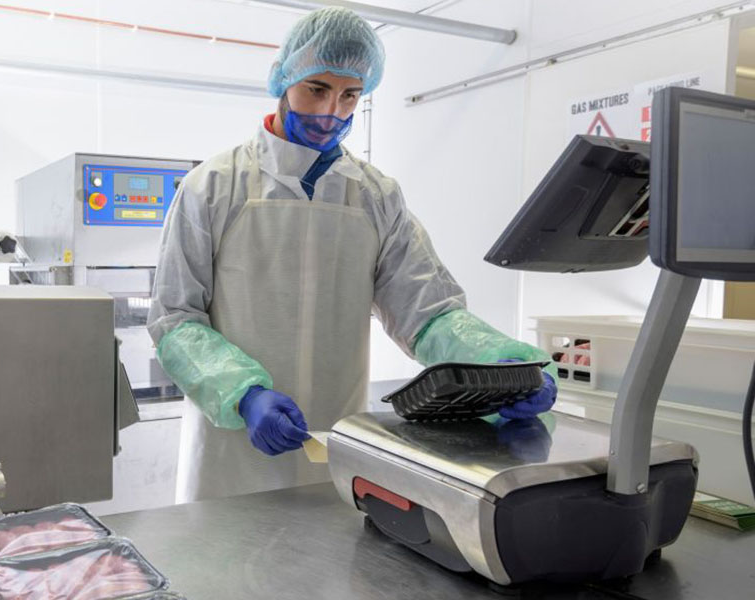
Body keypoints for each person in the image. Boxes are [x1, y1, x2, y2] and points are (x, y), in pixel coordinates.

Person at [148, 7, 557, 504]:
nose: (331, 111)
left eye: (350, 95)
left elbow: (428, 314)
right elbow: (176, 319)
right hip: (230, 455)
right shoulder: (213, 186)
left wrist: (501, 367)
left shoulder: (374, 195)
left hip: (335, 445)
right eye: (317, 89)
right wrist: (243, 394)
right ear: (283, 80)